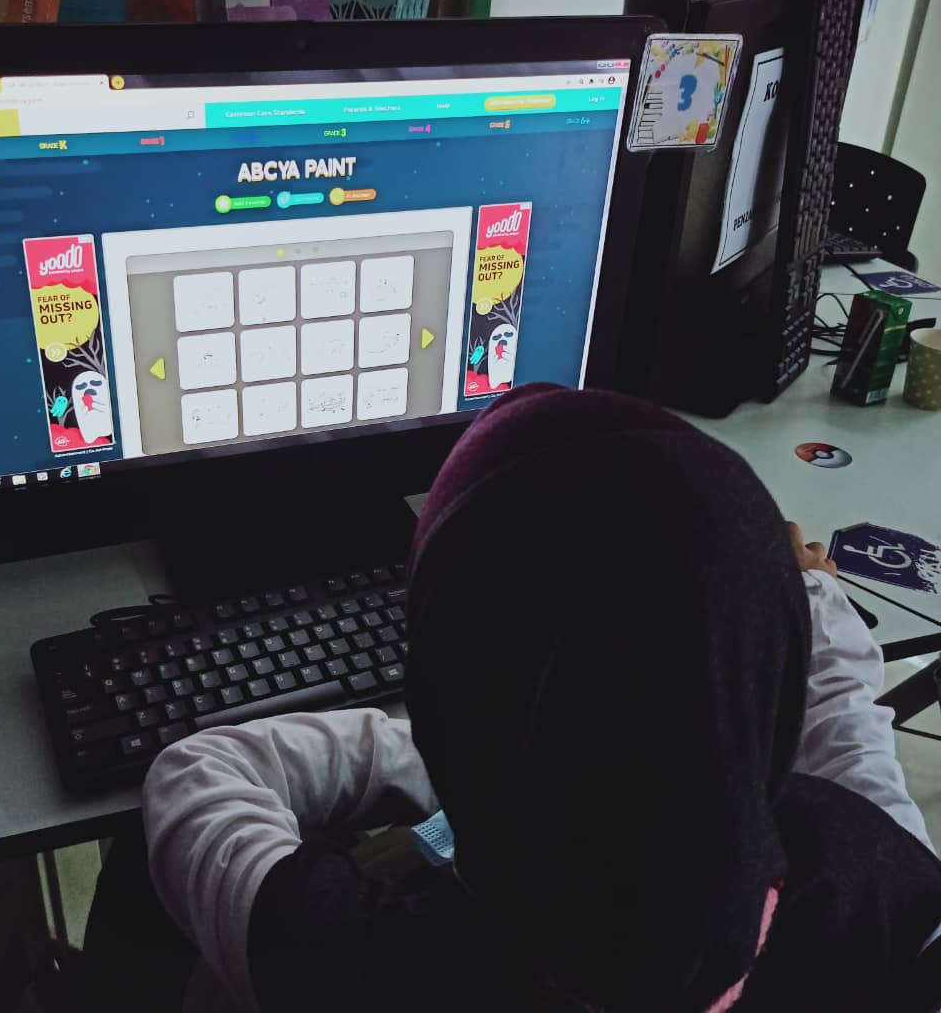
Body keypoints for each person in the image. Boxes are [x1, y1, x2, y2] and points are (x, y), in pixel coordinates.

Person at [142, 384, 941, 1013]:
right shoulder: (880, 886)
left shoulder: (352, 970)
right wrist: (808, 594)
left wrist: (445, 758)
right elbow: (849, 741)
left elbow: (199, 776)